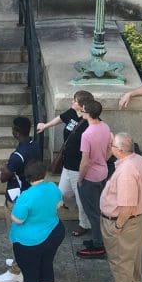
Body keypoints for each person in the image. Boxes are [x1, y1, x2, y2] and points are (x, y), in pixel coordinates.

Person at [97, 133, 142, 282]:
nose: (110, 146)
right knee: (133, 256)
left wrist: (117, 226)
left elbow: (127, 207)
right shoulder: (140, 161)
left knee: (120, 261)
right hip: (139, 218)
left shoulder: (126, 172)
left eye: (112, 144)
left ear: (119, 150)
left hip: (124, 222)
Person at [10, 160, 65, 282]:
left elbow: (18, 219)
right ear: (44, 174)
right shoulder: (53, 188)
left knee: (30, 272)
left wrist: (13, 211)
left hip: (30, 241)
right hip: (54, 233)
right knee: (47, 264)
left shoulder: (26, 196)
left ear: (28, 177)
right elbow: (59, 204)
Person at [37, 90, 95, 237]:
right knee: (62, 193)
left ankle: (84, 224)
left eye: (74, 101)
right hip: (67, 164)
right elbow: (60, 118)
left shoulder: (90, 120)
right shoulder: (71, 113)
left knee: (80, 197)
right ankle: (74, 207)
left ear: (82, 106)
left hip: (78, 166)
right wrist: (45, 125)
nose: (72, 102)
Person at [0, 117, 40, 282]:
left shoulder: (17, 156)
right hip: (29, 194)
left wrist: (6, 167)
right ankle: (18, 261)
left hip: (17, 200)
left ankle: (16, 271)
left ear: (16, 132)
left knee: (18, 235)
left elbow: (3, 176)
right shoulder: (34, 145)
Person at [75, 100, 113, 259]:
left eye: (83, 110)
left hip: (90, 177)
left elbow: (85, 161)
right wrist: (103, 160)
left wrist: (80, 178)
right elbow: (110, 147)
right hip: (103, 173)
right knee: (99, 209)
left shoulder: (87, 134)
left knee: (93, 213)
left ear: (87, 113)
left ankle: (98, 245)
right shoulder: (105, 127)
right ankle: (99, 240)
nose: (81, 112)